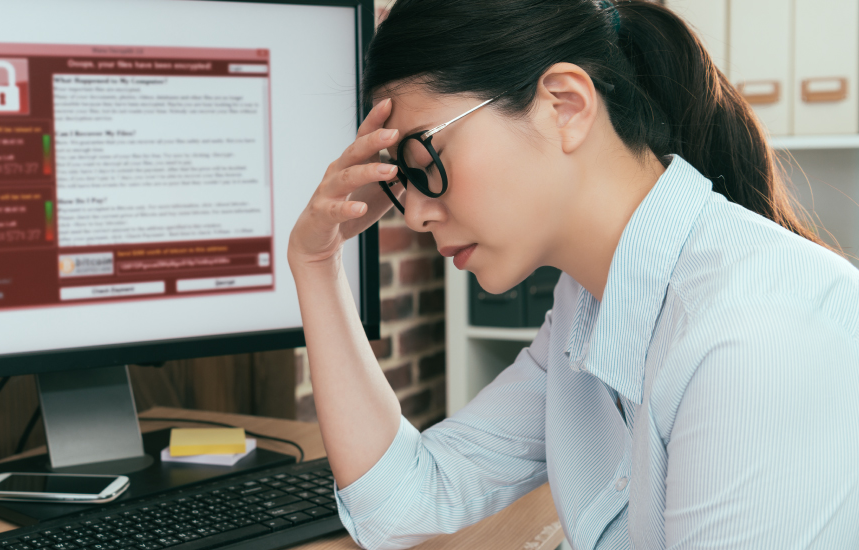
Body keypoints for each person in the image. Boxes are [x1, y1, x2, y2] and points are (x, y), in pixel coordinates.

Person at [287, 0, 859, 548]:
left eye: (426, 162)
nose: (414, 214)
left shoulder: (758, 338)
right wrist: (316, 264)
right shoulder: (586, 308)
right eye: (401, 182)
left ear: (564, 105)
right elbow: (401, 504)